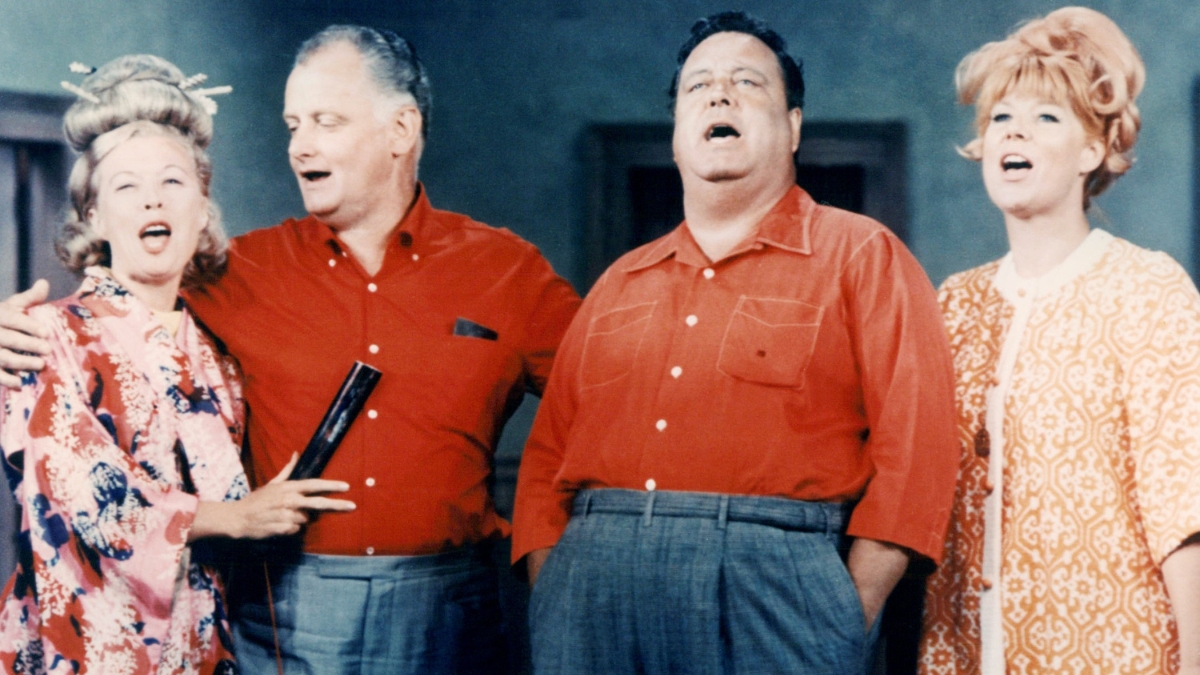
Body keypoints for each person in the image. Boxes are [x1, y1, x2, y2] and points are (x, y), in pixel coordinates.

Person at [1, 26, 579, 675]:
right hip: (277, 610)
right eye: (292, 124)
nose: (300, 145)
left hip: (452, 604)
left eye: (325, 121)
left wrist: (547, 547)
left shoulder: (506, 269)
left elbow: (605, 400)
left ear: (401, 128)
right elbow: (122, 292)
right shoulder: (237, 271)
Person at [512, 11, 959, 675]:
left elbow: (917, 449)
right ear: (675, 137)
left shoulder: (863, 255)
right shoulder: (618, 282)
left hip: (776, 590)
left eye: (747, 82)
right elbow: (547, 457)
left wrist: (844, 607)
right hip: (591, 588)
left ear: (793, 127)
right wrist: (560, 584)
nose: (719, 95)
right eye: (699, 87)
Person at [0, 55, 354, 675]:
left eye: (172, 182)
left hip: (202, 644)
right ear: (95, 217)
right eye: (125, 188)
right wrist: (237, 517)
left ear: (201, 207)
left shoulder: (215, 353)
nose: (151, 202)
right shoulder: (49, 334)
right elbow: (86, 497)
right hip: (87, 644)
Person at [917, 8, 1200, 675]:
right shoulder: (953, 302)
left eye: (1046, 117)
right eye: (999, 117)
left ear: (1093, 149)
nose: (1013, 130)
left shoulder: (1148, 288)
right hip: (964, 655)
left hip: (1116, 655)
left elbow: (1183, 505)